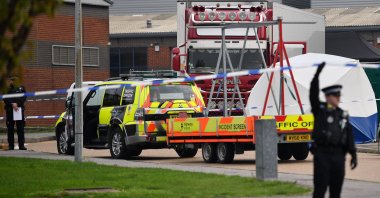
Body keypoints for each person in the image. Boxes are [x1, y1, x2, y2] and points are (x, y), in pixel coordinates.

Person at [309, 62, 357, 198]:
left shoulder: (343, 114)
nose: (338, 98)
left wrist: (353, 154)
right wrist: (316, 76)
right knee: (320, 190)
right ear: (328, 97)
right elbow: (313, 95)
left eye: (339, 96)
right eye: (336, 96)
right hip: (322, 154)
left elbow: (348, 135)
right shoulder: (320, 111)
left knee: (336, 191)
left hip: (338, 156)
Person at [3, 77, 27, 150]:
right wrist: (12, 104)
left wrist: (17, 104)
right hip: (10, 110)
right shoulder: (6, 89)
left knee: (20, 128)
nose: (12, 81)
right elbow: (5, 97)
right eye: (11, 80)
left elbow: (24, 97)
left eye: (14, 80)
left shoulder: (21, 88)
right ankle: (11, 145)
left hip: (19, 110)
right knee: (10, 128)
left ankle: (21, 145)